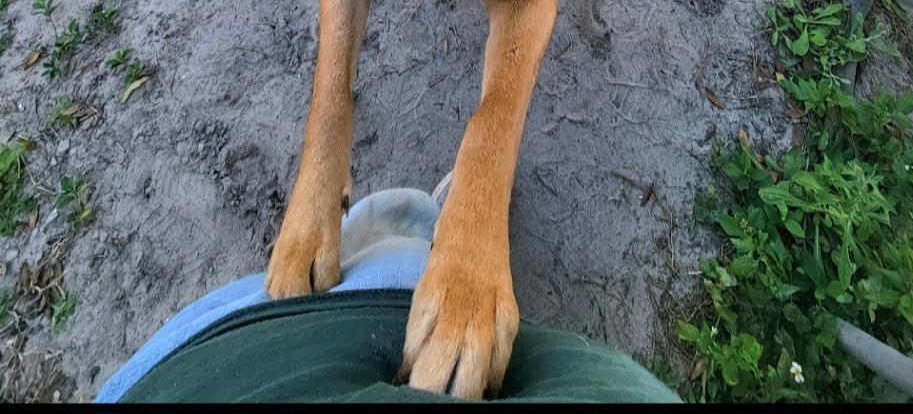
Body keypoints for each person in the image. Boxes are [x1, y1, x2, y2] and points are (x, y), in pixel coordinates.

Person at [96, 177, 681, 403]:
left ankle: (417, 222)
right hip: (199, 363)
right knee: (400, 243)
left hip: (219, 364)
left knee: (374, 245)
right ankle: (443, 218)